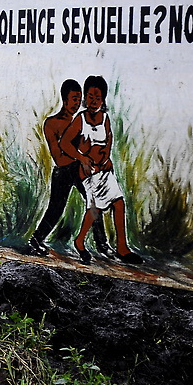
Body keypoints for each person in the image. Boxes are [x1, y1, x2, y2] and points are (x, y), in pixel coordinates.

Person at [59, 75, 143, 265]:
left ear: (103, 99)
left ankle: (122, 246)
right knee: (94, 209)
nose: (93, 101)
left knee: (118, 203)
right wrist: (82, 157)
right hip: (88, 172)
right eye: (89, 96)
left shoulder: (105, 118)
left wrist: (106, 159)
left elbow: (109, 139)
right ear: (84, 98)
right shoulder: (81, 119)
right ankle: (80, 241)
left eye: (97, 97)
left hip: (104, 170)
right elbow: (64, 142)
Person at [27, 79, 111, 258]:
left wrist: (84, 155)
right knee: (56, 209)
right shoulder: (52, 123)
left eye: (79, 99)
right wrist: (80, 154)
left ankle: (102, 244)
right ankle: (36, 240)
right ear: (64, 100)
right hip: (64, 171)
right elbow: (58, 156)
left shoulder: (81, 120)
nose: (76, 103)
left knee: (94, 201)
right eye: (73, 99)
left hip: (80, 169)